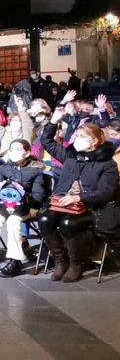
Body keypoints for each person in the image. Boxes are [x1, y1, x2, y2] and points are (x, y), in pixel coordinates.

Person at [38, 119, 118, 282]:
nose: (77, 139)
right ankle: (61, 260)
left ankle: (77, 264)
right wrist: (53, 121)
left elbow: (106, 192)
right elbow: (46, 142)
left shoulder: (107, 164)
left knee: (68, 223)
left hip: (91, 206)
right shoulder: (72, 156)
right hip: (63, 202)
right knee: (45, 219)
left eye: (82, 136)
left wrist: (79, 197)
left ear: (94, 141)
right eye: (77, 135)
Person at [0, 139, 47, 277]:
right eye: (11, 150)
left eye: (18, 149)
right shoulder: (4, 168)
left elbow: (38, 197)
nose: (13, 152)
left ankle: (15, 261)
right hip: (6, 205)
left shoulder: (36, 171)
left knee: (13, 221)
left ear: (27, 153)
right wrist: (1, 198)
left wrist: (21, 196)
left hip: (28, 207)